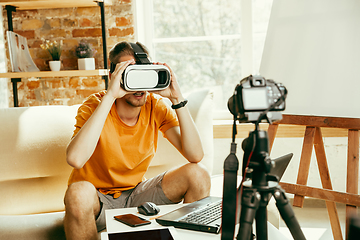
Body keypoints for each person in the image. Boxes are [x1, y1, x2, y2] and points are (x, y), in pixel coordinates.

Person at [63, 41, 211, 240]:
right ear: (114, 76)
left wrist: (177, 98)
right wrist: (110, 96)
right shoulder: (95, 105)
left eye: (143, 74)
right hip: (97, 199)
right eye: (131, 74)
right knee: (77, 192)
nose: (139, 86)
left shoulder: (155, 106)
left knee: (198, 174)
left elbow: (195, 155)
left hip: (136, 194)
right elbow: (75, 159)